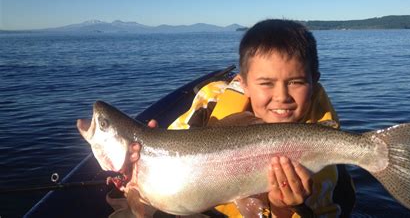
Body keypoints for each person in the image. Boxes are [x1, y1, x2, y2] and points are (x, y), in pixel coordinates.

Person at [128, 19, 355, 217]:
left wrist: (282, 210)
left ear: (314, 82)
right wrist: (142, 159)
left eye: (296, 82)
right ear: (243, 84)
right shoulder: (210, 103)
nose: (281, 96)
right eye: (266, 83)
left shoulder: (326, 156)